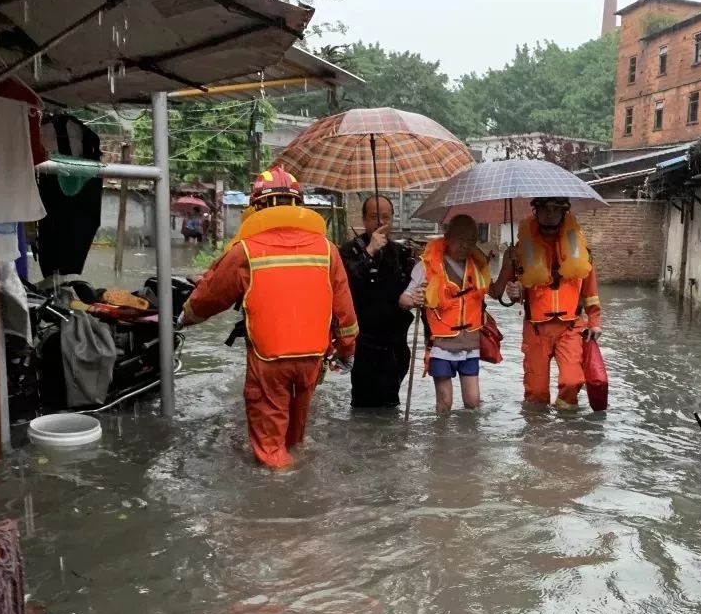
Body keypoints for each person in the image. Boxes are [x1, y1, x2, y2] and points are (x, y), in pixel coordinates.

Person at [180, 167, 359, 468]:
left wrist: (186, 317)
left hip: (269, 359)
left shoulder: (245, 251)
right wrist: (346, 350)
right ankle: (301, 482)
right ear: (298, 206)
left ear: (257, 207)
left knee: (270, 443)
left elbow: (210, 296)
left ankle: (280, 497)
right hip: (313, 357)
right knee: (296, 432)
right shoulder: (327, 250)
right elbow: (345, 312)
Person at [490, 197, 602, 410]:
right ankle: (537, 438)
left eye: (555, 209)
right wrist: (514, 292)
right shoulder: (519, 251)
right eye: (545, 209)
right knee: (536, 393)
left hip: (570, 327)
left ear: (564, 212)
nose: (550, 214)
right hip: (536, 330)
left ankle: (566, 435)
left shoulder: (580, 250)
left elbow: (591, 291)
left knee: (572, 382)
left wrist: (595, 321)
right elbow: (502, 292)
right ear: (536, 211)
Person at [400, 215, 490, 412]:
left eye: (471, 240)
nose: (466, 246)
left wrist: (509, 261)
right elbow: (404, 299)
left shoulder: (477, 265)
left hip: (470, 343)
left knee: (473, 401)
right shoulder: (426, 266)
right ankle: (440, 440)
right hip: (441, 344)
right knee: (445, 402)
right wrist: (414, 300)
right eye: (461, 239)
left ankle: (469, 442)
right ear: (448, 236)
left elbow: (495, 292)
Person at [339, 195, 415, 408]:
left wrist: (413, 298)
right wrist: (369, 251)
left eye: (385, 217)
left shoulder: (401, 253)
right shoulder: (349, 251)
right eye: (374, 217)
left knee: (391, 405)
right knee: (363, 406)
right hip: (364, 343)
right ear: (364, 220)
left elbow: (413, 288)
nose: (380, 222)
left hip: (395, 344)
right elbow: (343, 285)